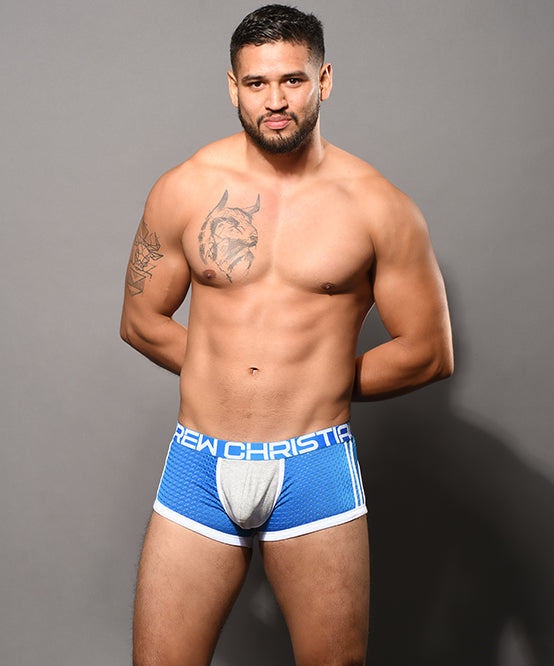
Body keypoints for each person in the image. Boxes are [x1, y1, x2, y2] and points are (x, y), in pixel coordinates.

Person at [120, 5, 453, 665]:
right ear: (233, 87)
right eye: (256, 83)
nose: (274, 101)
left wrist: (310, 382)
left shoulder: (379, 206)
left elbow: (428, 353)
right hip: (200, 463)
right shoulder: (185, 189)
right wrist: (223, 372)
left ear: (323, 80)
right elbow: (141, 320)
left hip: (314, 465)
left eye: (292, 80)